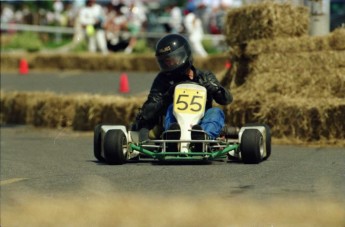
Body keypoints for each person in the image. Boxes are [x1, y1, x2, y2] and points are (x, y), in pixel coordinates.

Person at [132, 34, 233, 145]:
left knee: (216, 112)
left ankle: (203, 138)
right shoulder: (163, 79)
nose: (169, 64)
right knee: (171, 108)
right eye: (166, 61)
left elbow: (226, 100)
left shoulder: (204, 76)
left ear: (184, 55)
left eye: (172, 60)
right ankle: (173, 136)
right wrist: (168, 96)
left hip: (200, 122)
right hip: (175, 121)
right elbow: (148, 111)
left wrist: (216, 89)